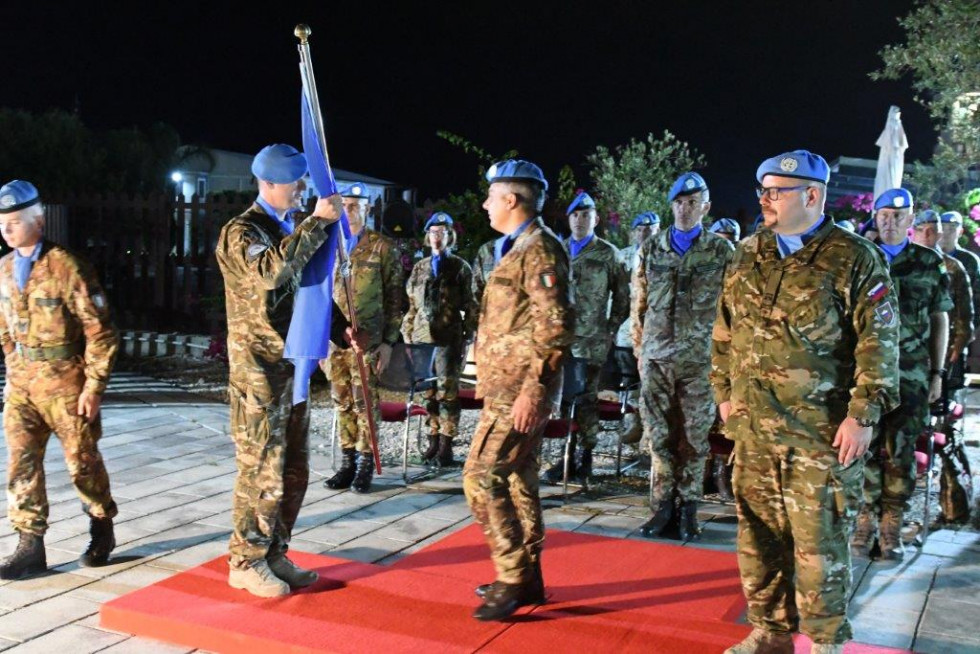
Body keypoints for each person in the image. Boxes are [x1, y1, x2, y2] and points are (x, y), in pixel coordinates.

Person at [712, 150, 899, 654]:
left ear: (812, 195)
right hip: (754, 429)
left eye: (776, 192)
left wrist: (862, 415)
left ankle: (824, 642)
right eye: (763, 192)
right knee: (758, 542)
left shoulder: (854, 257)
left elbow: (879, 345)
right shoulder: (749, 252)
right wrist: (724, 395)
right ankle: (769, 633)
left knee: (820, 547)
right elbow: (725, 331)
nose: (765, 201)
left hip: (819, 433)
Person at [215, 144, 363, 597]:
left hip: (293, 368)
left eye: (302, 181)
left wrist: (341, 328)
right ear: (267, 184)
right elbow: (272, 273)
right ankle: (245, 559)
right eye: (294, 183)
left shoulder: (291, 227)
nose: (301, 190)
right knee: (261, 468)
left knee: (293, 470)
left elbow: (308, 291)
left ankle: (275, 551)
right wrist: (319, 222)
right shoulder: (242, 232)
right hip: (259, 373)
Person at [464, 159, 573, 621]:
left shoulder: (540, 250)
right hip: (504, 386)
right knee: (518, 480)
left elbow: (556, 327)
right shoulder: (514, 248)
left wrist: (534, 391)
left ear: (512, 199)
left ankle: (511, 575)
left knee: (479, 476)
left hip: (520, 390)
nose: (486, 204)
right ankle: (529, 577)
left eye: (492, 196)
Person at [0, 180, 120, 580]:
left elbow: (100, 331)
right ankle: (29, 544)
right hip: (22, 386)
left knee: (82, 465)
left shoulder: (67, 266)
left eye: (16, 221)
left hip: (67, 384)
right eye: (3, 223)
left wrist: (94, 386)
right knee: (21, 464)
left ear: (39, 220)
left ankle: (101, 525)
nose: (8, 229)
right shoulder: (3, 268)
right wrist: (13, 364)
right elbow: (4, 327)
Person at [631, 172, 734, 541]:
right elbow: (638, 304)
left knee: (693, 439)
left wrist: (728, 361)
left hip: (700, 362)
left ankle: (688, 509)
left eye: (693, 203)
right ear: (671, 205)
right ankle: (661, 508)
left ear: (705, 208)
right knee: (658, 436)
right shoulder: (652, 248)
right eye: (679, 203)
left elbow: (732, 311)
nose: (685, 209)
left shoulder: (721, 252)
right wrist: (640, 352)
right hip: (657, 358)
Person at [853, 189, 951, 562]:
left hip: (911, 375)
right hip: (864, 375)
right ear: (875, 219)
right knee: (863, 448)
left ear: (911, 221)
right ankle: (864, 520)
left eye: (898, 216)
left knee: (901, 451)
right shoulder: (860, 260)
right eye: (883, 216)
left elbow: (939, 319)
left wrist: (938, 374)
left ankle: (891, 526)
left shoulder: (929, 263)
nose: (889, 222)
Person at [541, 191, 628, 484]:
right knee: (564, 398)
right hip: (560, 339)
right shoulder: (558, 251)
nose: (580, 220)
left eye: (586, 215)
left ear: (596, 219)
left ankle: (585, 457)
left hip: (591, 339)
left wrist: (611, 327)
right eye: (576, 215)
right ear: (569, 219)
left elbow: (623, 295)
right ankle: (565, 455)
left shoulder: (607, 253)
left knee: (587, 399)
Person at [322, 182, 403, 493]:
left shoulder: (382, 248)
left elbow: (396, 299)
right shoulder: (329, 244)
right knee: (340, 402)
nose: (351, 210)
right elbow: (320, 297)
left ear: (369, 209)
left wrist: (388, 342)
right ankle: (347, 463)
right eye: (347, 205)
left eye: (358, 205)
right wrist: (319, 344)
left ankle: (365, 463)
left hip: (367, 342)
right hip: (334, 342)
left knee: (364, 404)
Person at [401, 212, 478, 466]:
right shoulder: (420, 267)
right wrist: (408, 335)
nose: (437, 237)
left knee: (448, 392)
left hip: (448, 338)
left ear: (449, 236)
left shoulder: (459, 267)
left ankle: (446, 443)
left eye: (442, 232)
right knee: (427, 392)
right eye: (433, 232)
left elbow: (471, 304)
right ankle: (432, 437)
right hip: (422, 338)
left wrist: (468, 335)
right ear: (427, 236)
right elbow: (412, 305)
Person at [912, 210, 974, 389]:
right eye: (921, 230)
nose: (925, 236)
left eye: (931, 231)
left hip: (944, 341)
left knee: (939, 394)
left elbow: (965, 310)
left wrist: (960, 343)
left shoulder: (953, 267)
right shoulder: (901, 262)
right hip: (910, 344)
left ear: (938, 235)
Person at [939, 210, 980, 385]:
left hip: (956, 331)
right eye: (944, 227)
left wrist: (970, 328)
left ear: (960, 232)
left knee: (951, 384)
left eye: (952, 228)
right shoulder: (926, 256)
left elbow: (976, 300)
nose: (947, 232)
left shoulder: (968, 261)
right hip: (929, 331)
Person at [615, 212, 659, 349]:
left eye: (648, 230)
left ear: (658, 231)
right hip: (626, 331)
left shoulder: (667, 259)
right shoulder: (622, 256)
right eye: (639, 230)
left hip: (655, 330)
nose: (643, 234)